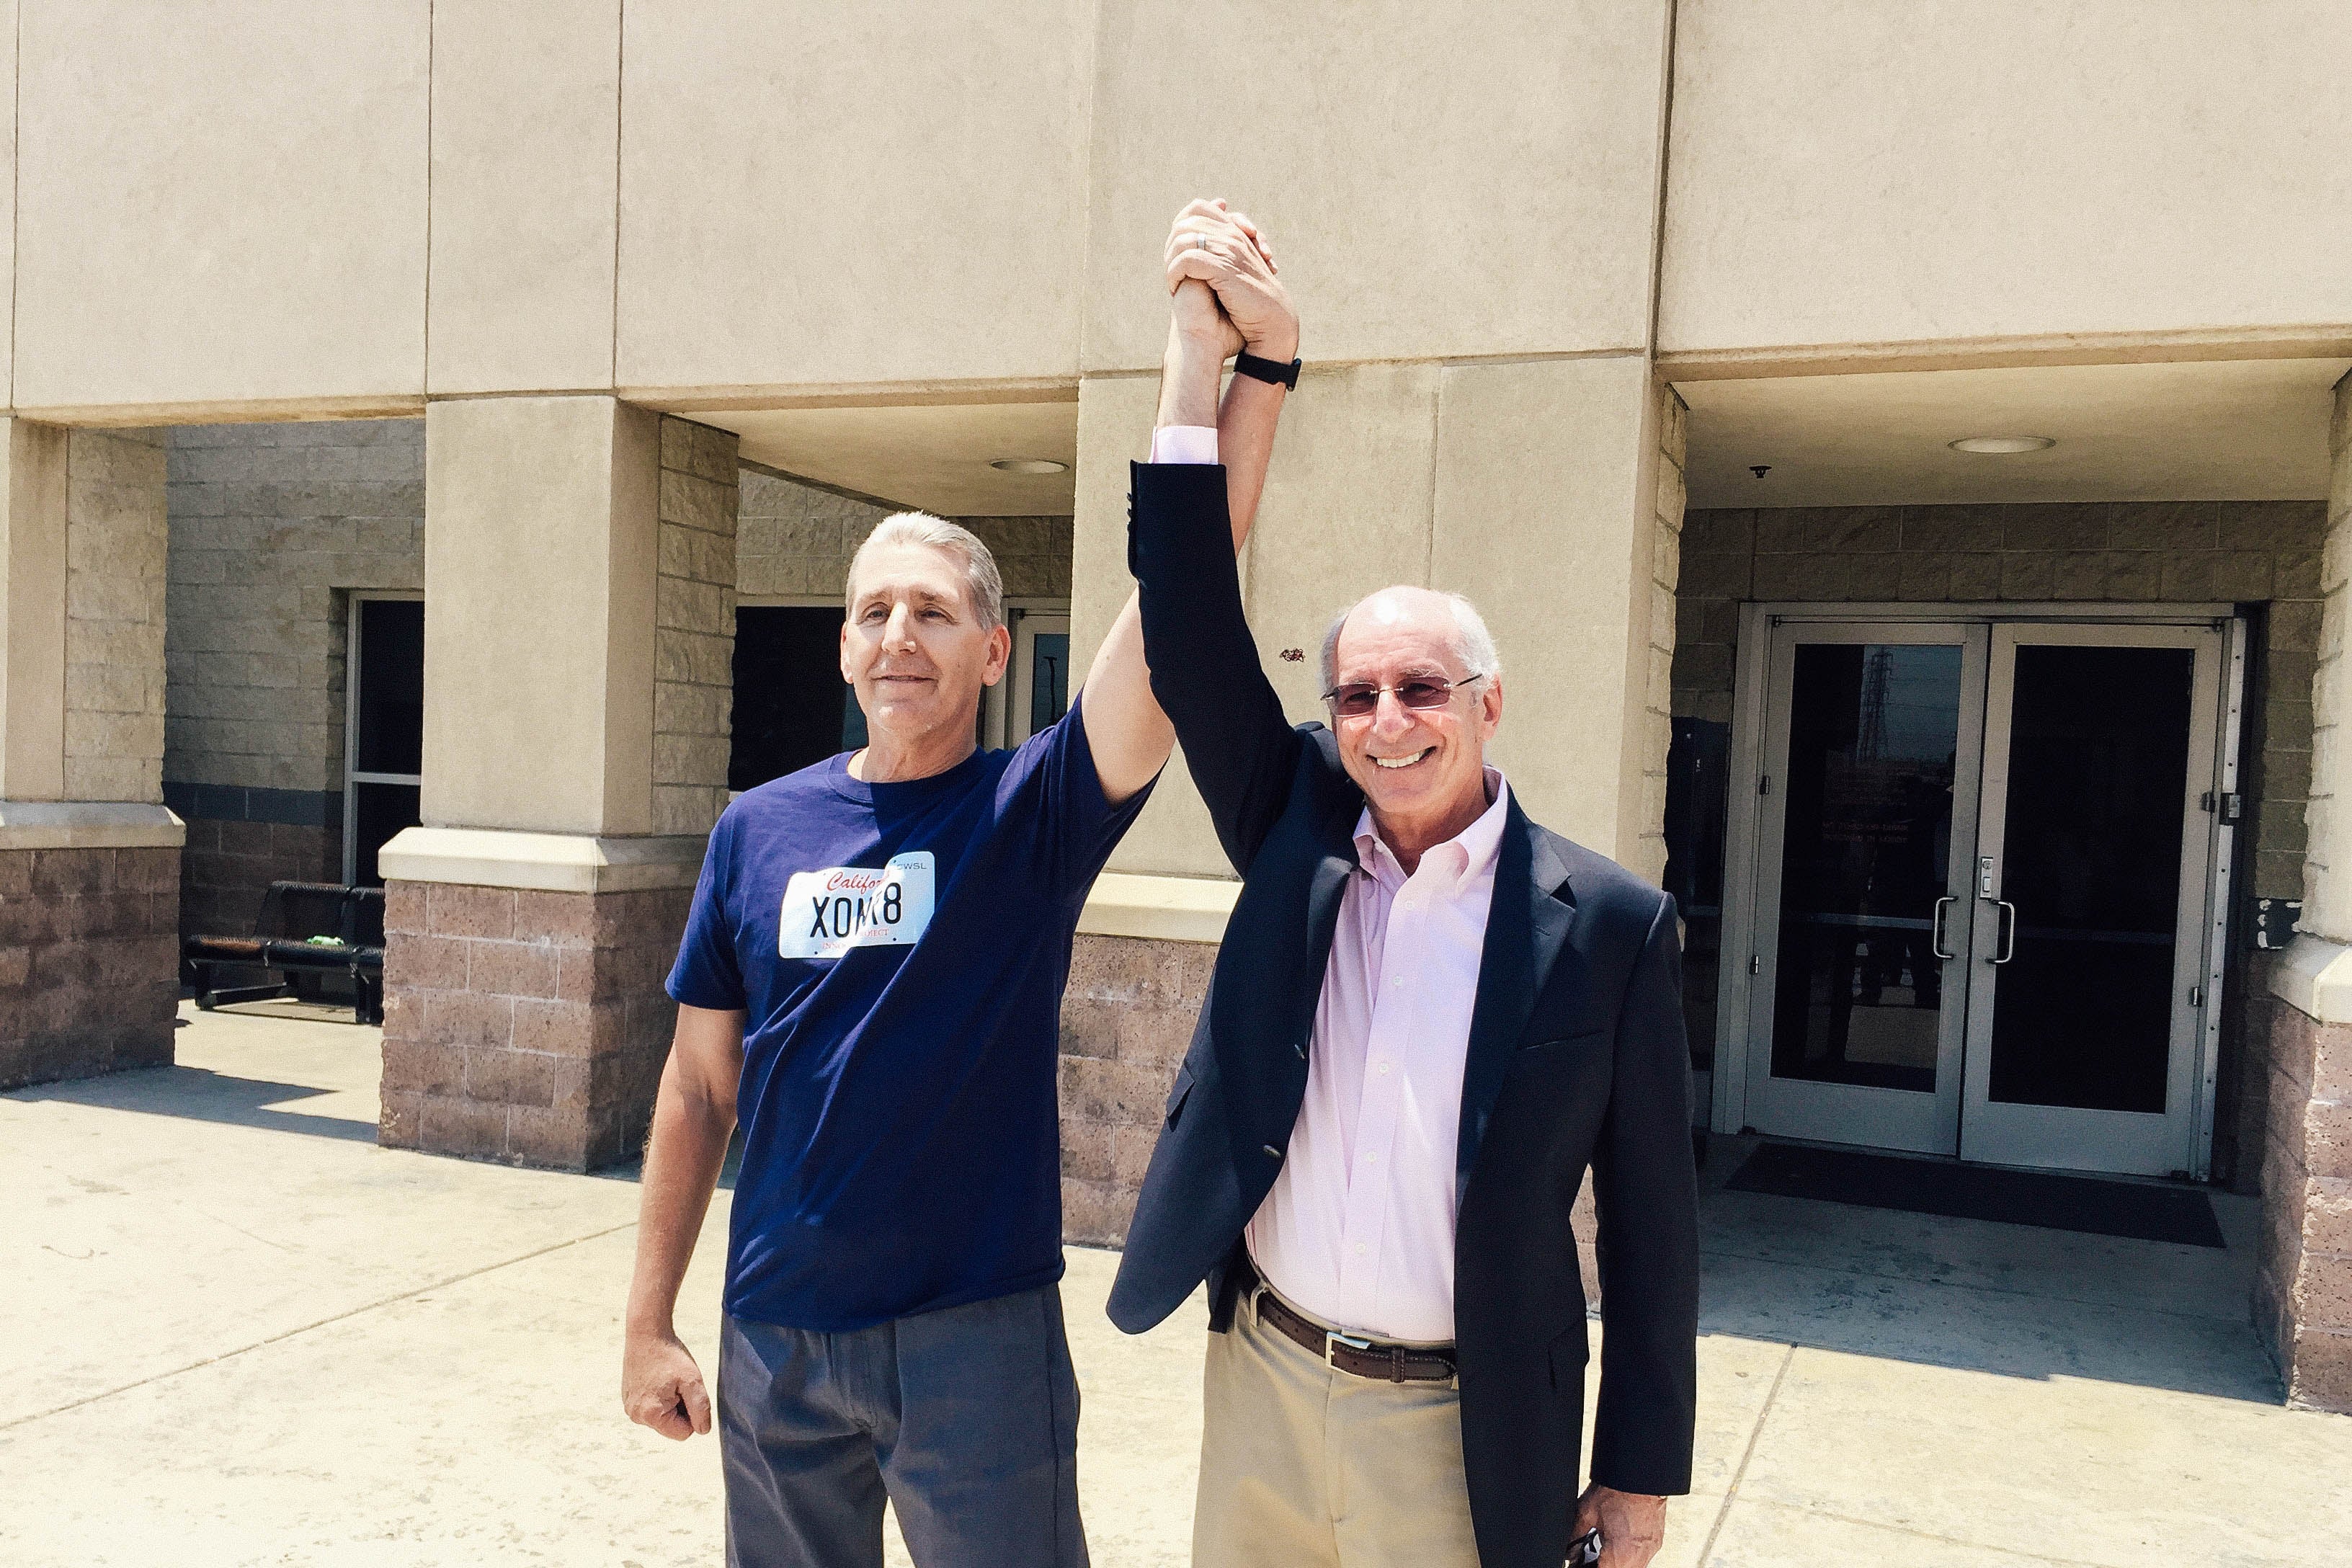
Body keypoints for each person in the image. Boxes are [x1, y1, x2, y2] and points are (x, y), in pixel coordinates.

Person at [616, 203, 1291, 1568]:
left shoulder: (1028, 811)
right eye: (873, 612)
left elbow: (1181, 609)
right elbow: (697, 1088)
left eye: (933, 611)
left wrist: (1219, 367)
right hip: (777, 1329)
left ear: (994, 653)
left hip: (976, 1339)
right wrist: (648, 1320)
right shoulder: (756, 829)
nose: (898, 636)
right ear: (844, 650)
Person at [1108, 206, 1701, 1568]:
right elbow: (1189, 628)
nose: (1387, 723)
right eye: (1357, 694)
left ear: (1490, 704)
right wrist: (1205, 366)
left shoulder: (1608, 924)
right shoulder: (1298, 829)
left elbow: (1657, 1221)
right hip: (1263, 1382)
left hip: (1464, 1427)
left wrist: (1639, 1471)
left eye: (1422, 689)